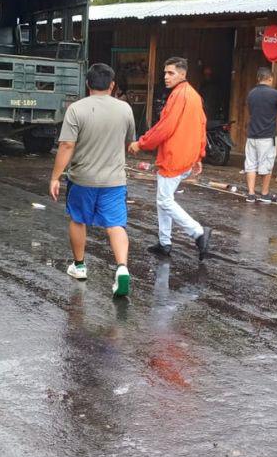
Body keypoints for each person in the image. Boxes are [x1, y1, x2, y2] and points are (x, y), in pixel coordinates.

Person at [49, 62, 137, 297]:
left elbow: (67, 145)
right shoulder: (125, 109)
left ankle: (79, 266)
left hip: (83, 179)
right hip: (114, 180)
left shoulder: (76, 109)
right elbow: (129, 142)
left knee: (78, 220)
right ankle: (122, 268)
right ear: (112, 85)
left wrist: (55, 177)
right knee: (116, 224)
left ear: (87, 84)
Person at [128, 56, 212, 260]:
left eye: (171, 73)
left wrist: (142, 143)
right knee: (163, 199)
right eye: (165, 72)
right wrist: (199, 155)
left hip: (175, 156)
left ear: (183, 74)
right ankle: (164, 242)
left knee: (165, 200)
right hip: (186, 154)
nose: (166, 77)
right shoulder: (193, 95)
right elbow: (202, 125)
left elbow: (165, 126)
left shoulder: (179, 96)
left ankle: (198, 232)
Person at [243, 66, 277, 203]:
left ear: (258, 78)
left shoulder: (251, 94)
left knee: (250, 164)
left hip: (252, 135)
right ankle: (265, 193)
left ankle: (250, 193)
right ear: (270, 78)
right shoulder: (275, 94)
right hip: (267, 136)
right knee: (266, 165)